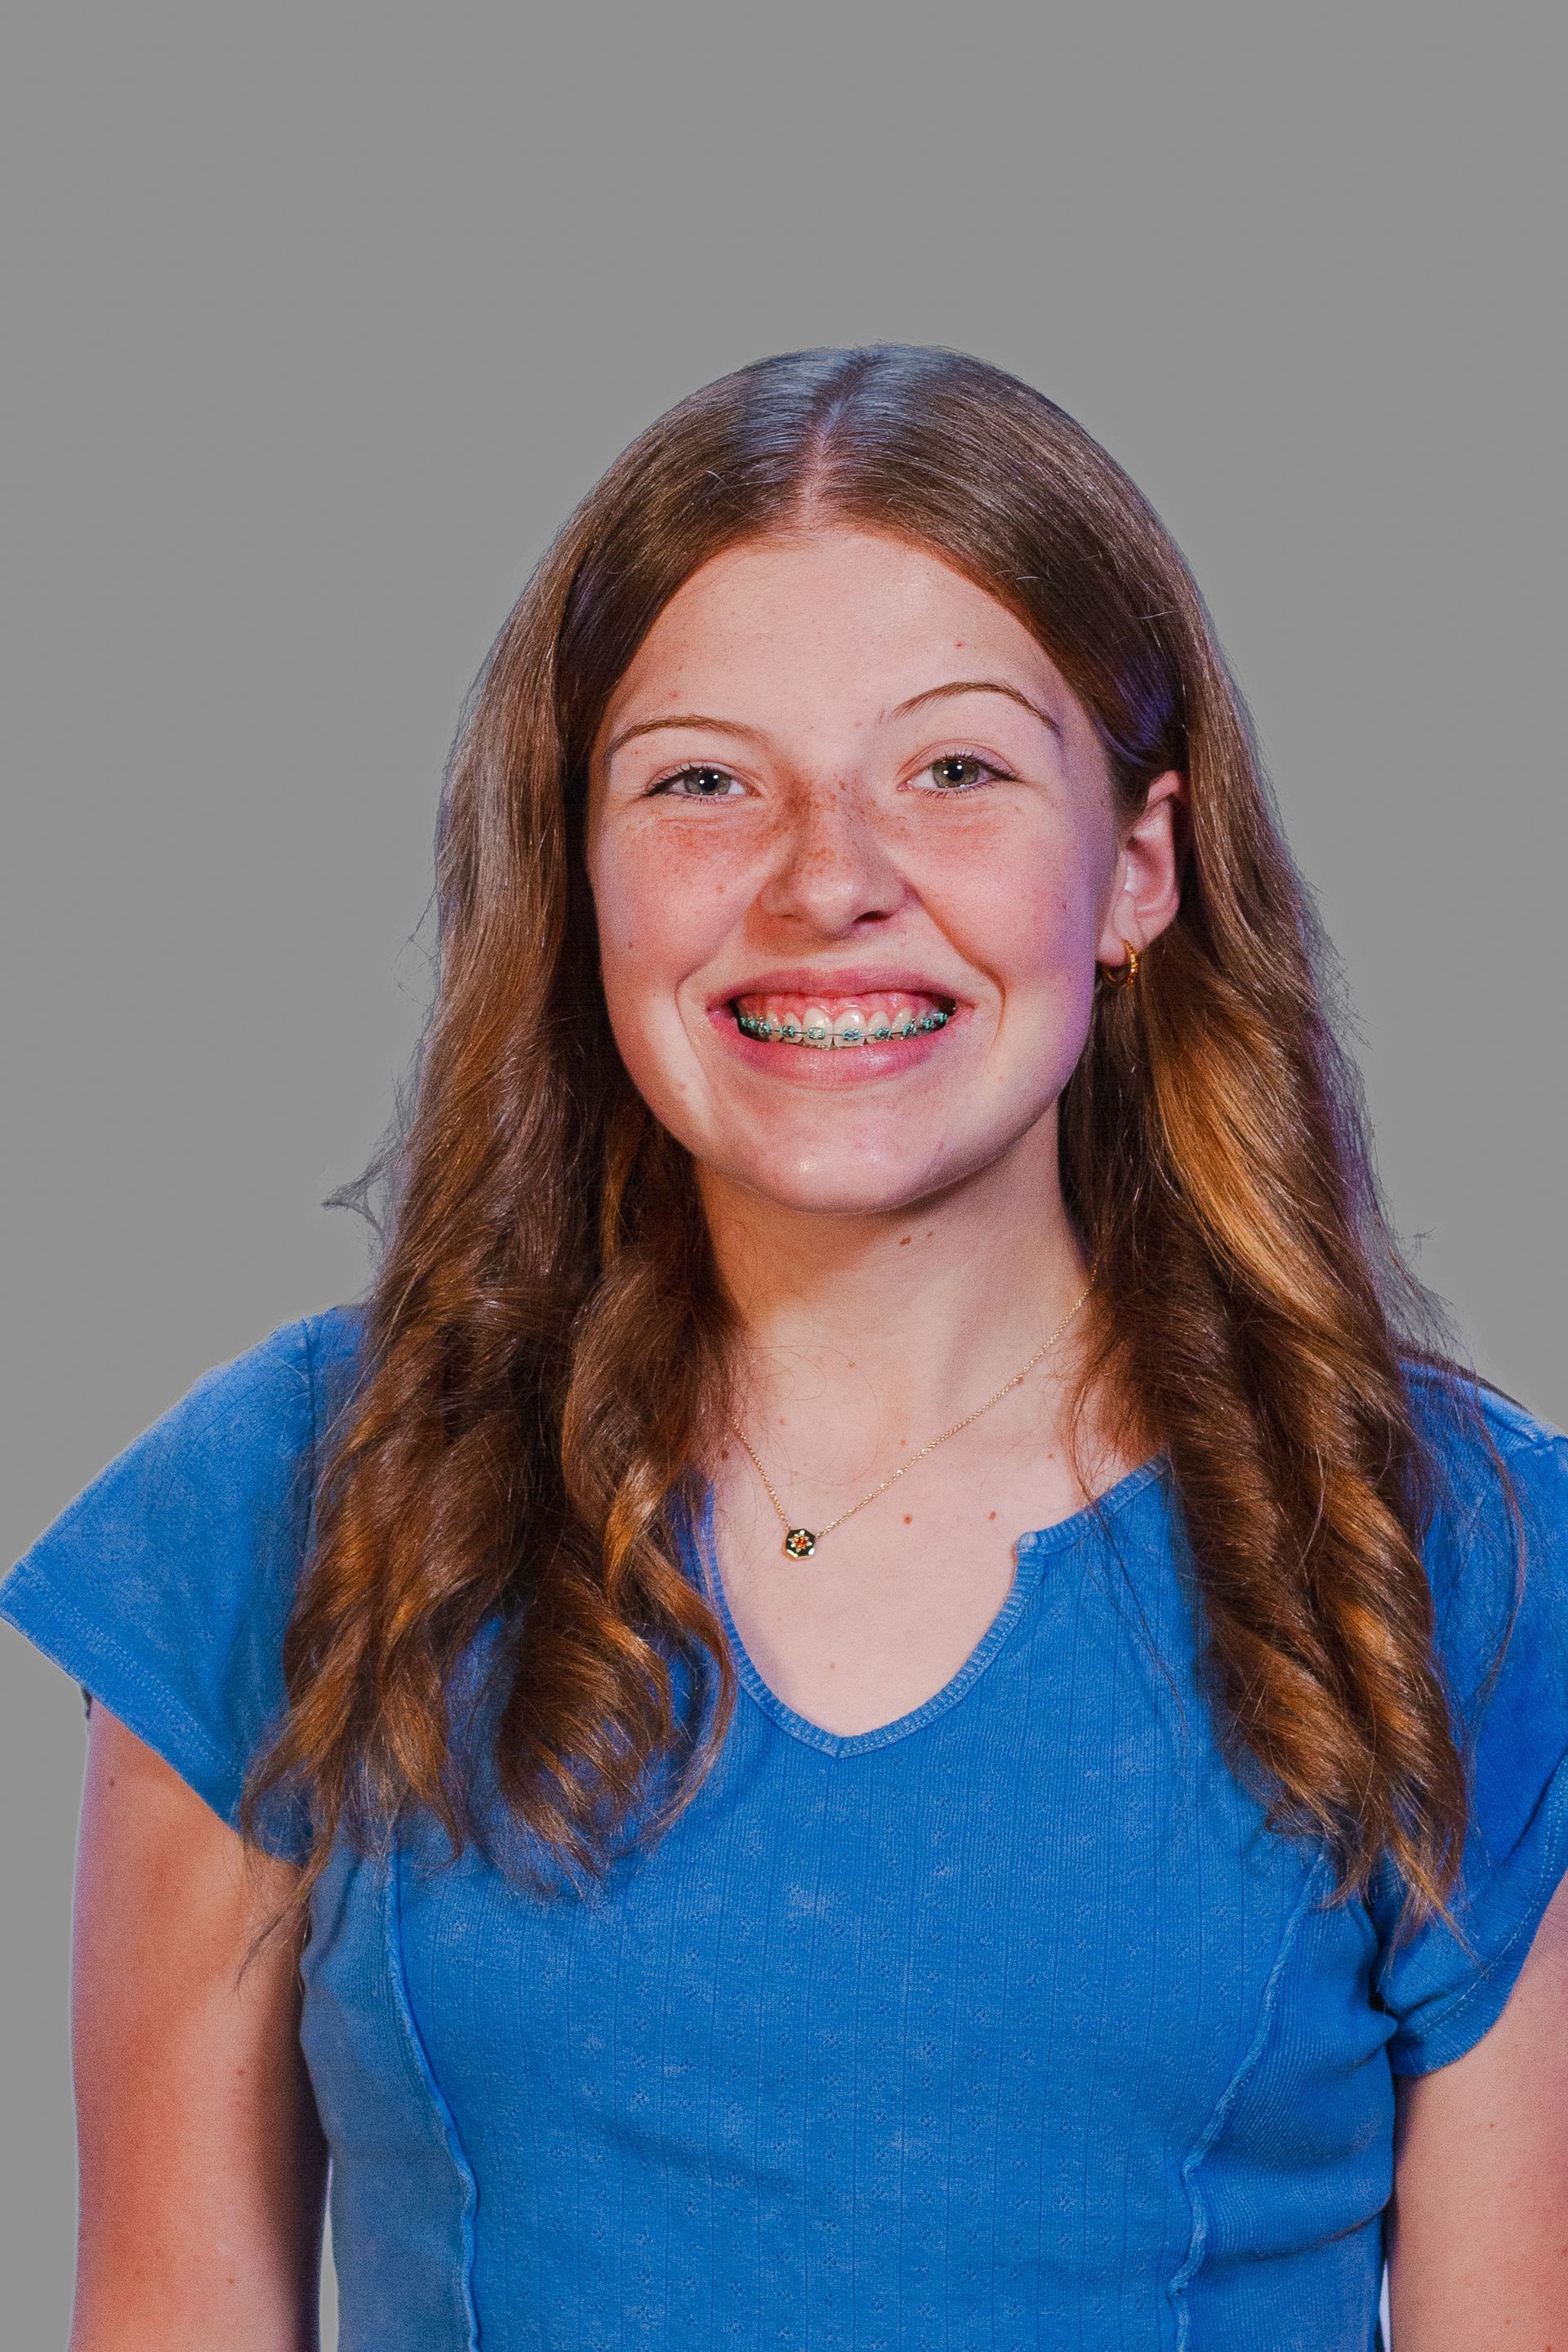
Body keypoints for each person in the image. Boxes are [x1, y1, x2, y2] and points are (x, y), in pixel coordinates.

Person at [3, 345, 1566, 2352]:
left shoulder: (1456, 1553)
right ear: (583, 871)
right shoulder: (292, 1502)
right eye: (702, 782)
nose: (828, 879)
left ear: (1142, 866)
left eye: (958, 770)